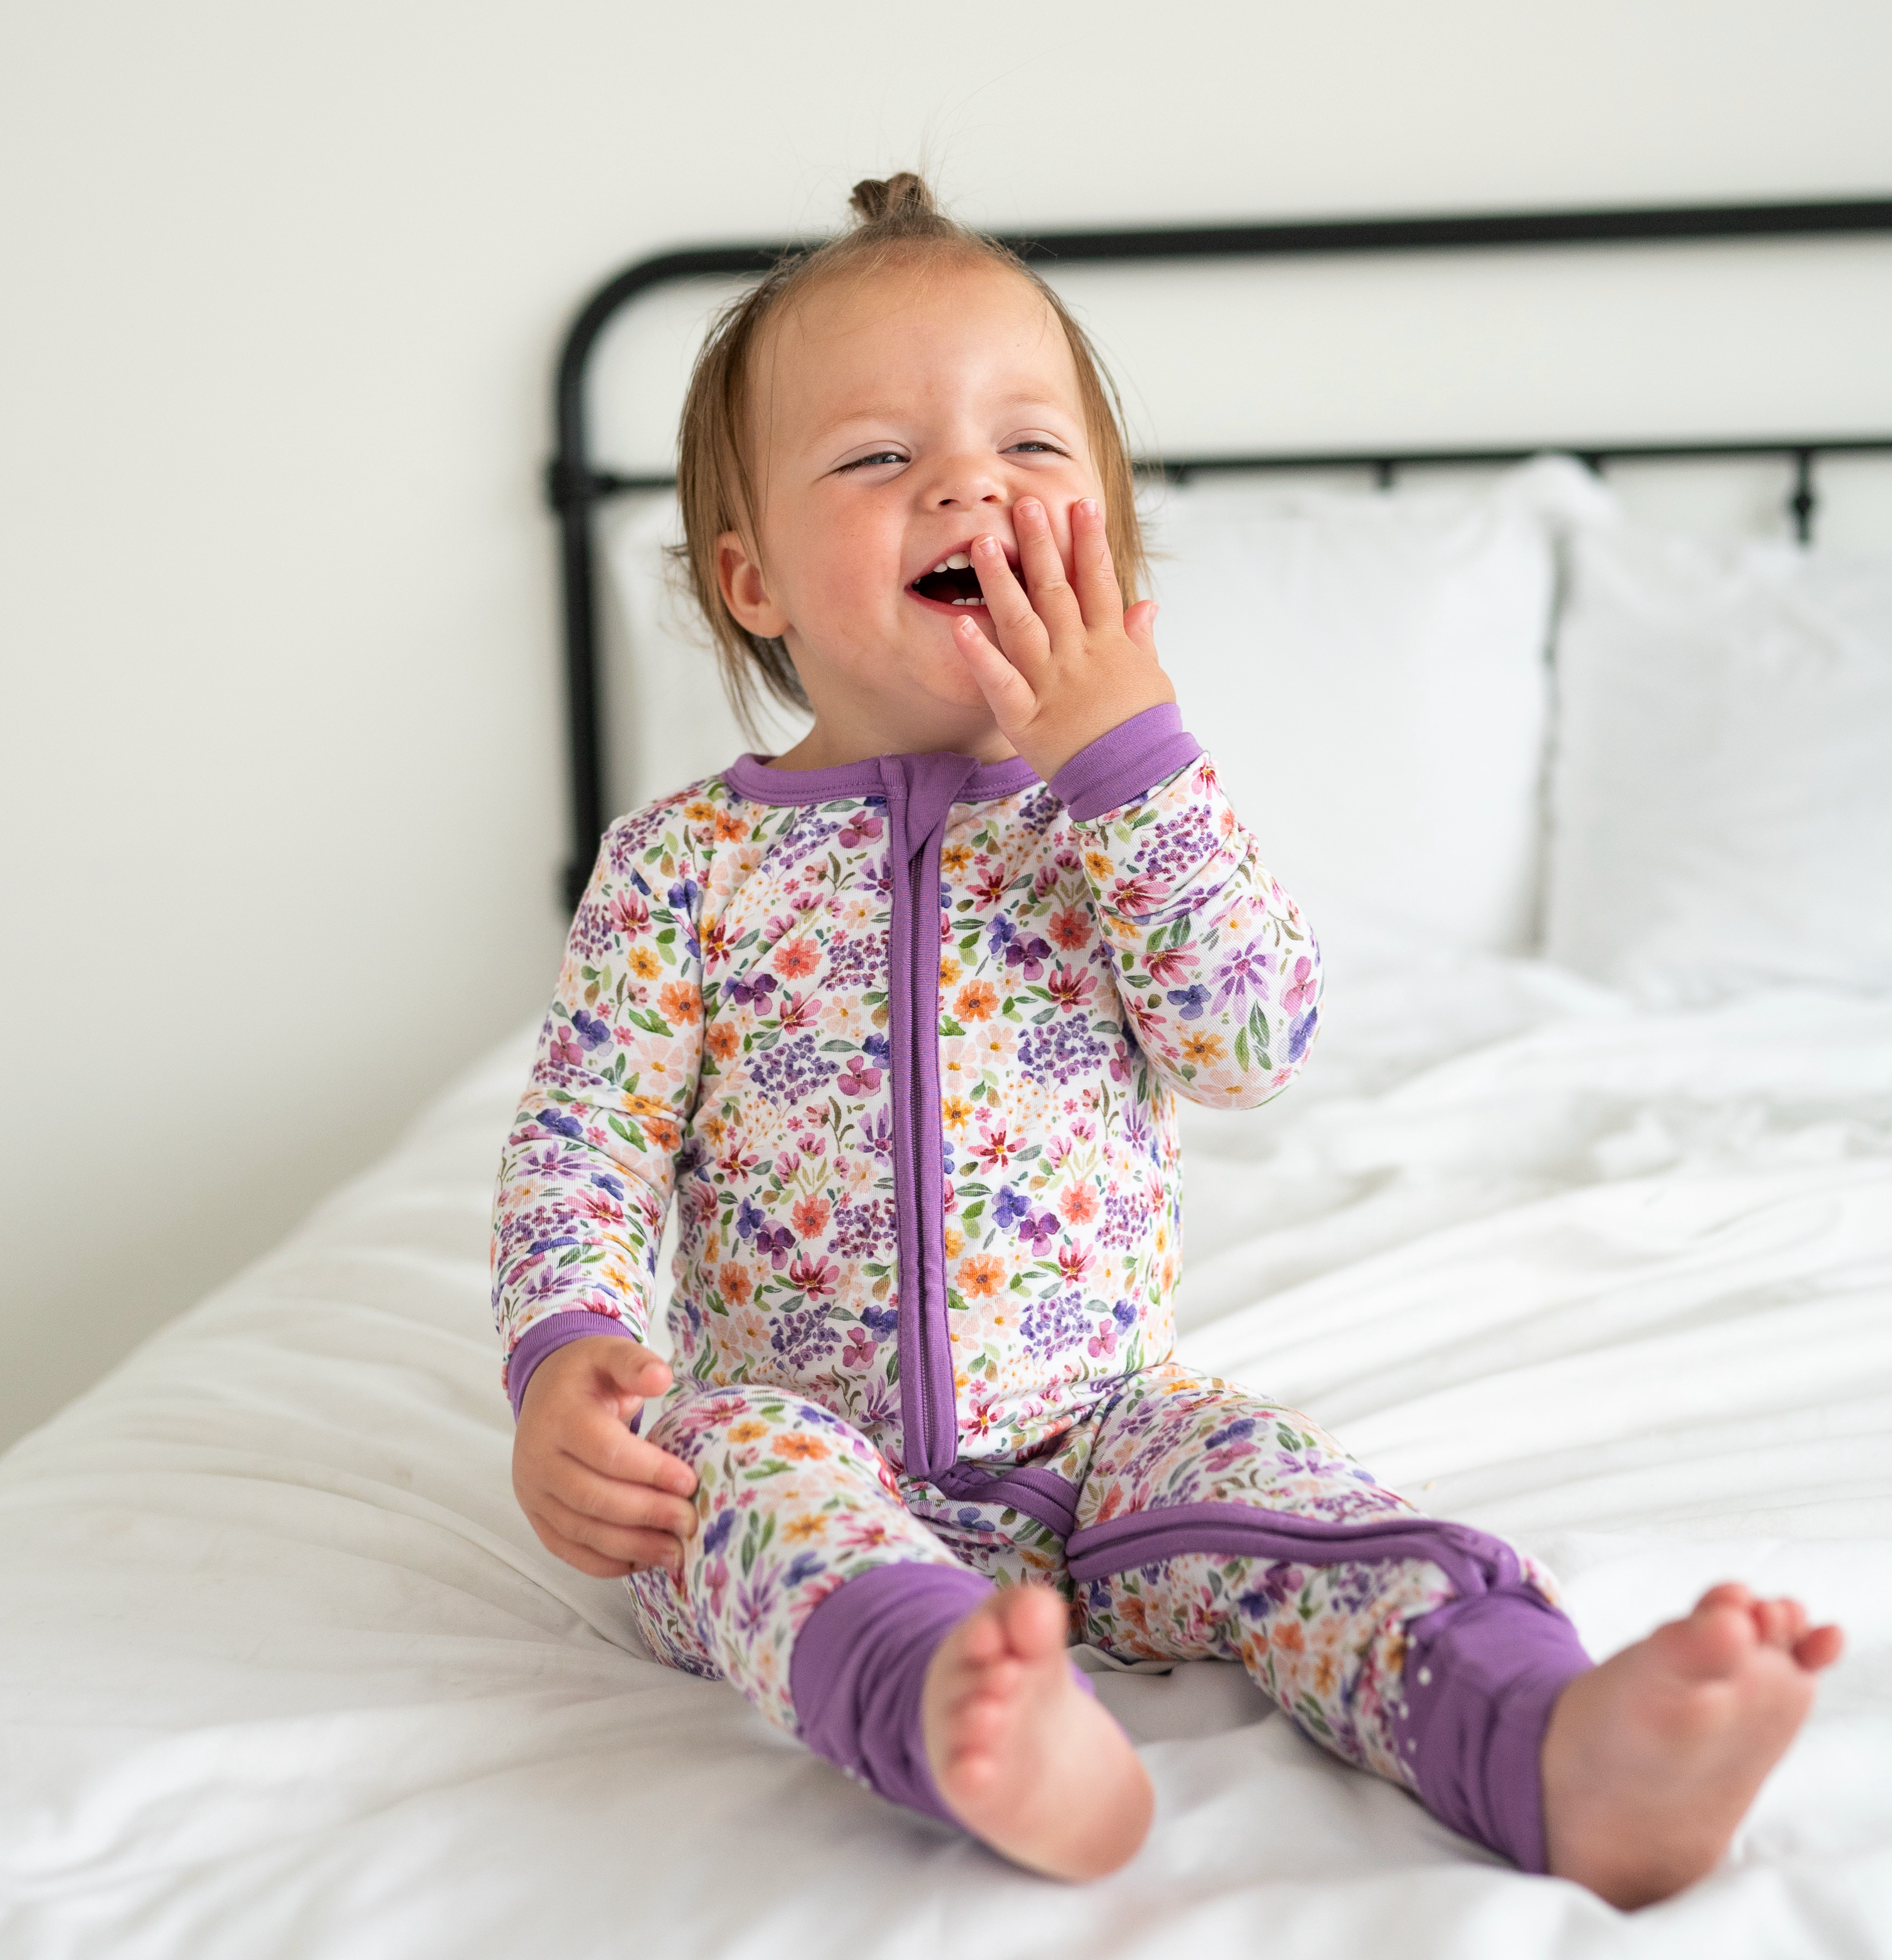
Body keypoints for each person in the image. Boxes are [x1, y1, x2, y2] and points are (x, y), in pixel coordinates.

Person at [493, 173, 1841, 1905]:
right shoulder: (684, 862)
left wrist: (1131, 767)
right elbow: (579, 1140)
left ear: (1113, 544)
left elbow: (1249, 1037)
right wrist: (568, 1355)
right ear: (751, 578)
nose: (969, 485)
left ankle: (1545, 1736)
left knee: (1311, 1516)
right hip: (801, 1420)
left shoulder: (1121, 817)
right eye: (877, 458)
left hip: (1105, 1429)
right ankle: (966, 1707)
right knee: (736, 1483)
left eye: (1029, 451)